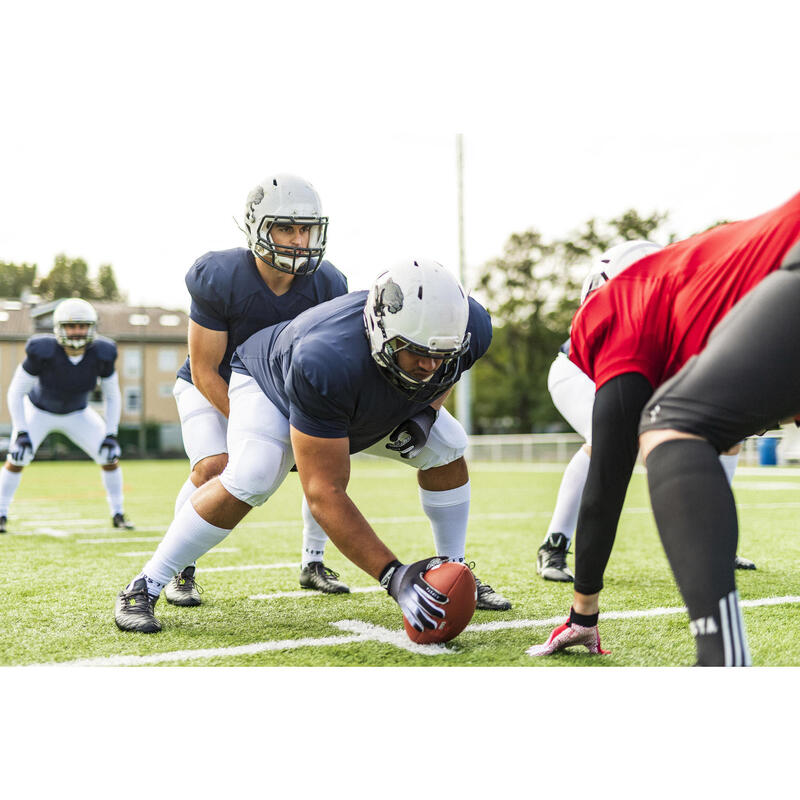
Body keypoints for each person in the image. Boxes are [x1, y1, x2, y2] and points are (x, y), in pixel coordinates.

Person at [115, 259, 510, 633]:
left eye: (442, 355)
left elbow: (445, 373)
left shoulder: (471, 327)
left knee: (449, 445)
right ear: (380, 329)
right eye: (418, 352)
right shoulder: (324, 359)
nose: (430, 367)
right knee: (253, 473)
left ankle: (455, 569)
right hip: (270, 386)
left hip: (369, 394)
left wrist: (424, 414)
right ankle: (146, 584)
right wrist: (394, 574)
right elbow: (324, 492)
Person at [529, 190, 800, 663]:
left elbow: (609, 476)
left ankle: (721, 659)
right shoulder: (693, 283)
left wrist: (583, 614)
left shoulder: (615, 307)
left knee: (668, 424)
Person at [165, 173, 349, 607]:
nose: (299, 240)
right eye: (286, 227)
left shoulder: (328, 284)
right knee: (215, 466)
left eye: (306, 228)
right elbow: (207, 369)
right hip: (210, 386)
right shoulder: (221, 276)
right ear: (257, 227)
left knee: (324, 464)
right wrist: (247, 428)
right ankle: (177, 569)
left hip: (279, 390)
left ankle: (314, 562)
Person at [537, 241, 755, 581]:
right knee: (606, 442)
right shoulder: (616, 312)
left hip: (628, 377)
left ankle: (711, 541)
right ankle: (554, 544)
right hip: (577, 372)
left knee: (728, 438)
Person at [0, 298, 132, 532]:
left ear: (91, 327)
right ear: (59, 328)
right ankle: (1, 513)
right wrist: (21, 431)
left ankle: (118, 514)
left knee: (109, 456)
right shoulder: (42, 350)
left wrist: (111, 433)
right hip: (39, 411)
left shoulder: (103, 352)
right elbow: (16, 392)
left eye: (82, 326)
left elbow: (112, 396)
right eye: (71, 326)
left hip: (78, 413)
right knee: (17, 457)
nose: (77, 331)